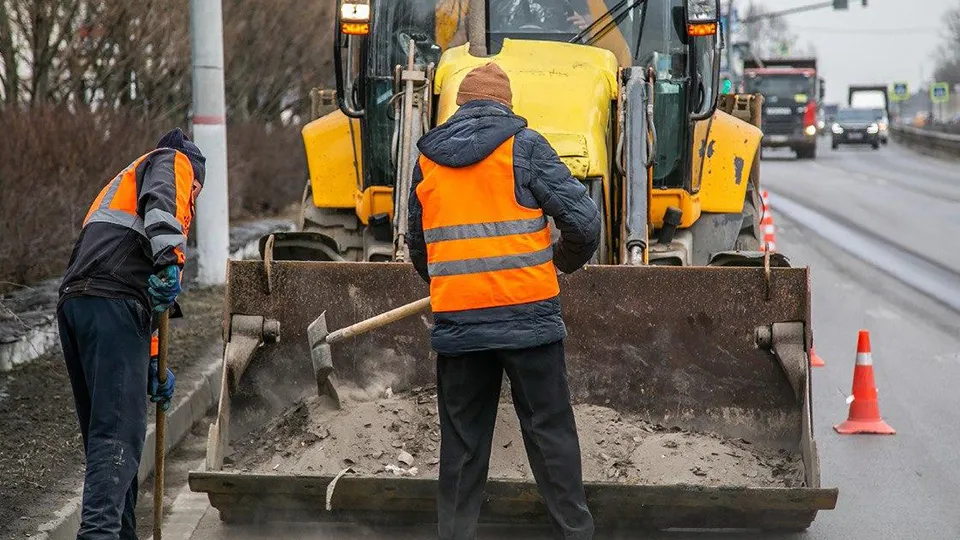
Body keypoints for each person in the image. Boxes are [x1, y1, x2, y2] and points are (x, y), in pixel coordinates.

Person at [407, 62, 601, 540]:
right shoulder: (525, 146)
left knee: (462, 447)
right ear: (506, 105)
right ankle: (575, 534)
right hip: (528, 319)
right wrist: (559, 262)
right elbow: (584, 223)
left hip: (459, 324)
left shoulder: (428, 159)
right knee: (550, 434)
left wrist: (456, 284)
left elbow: (419, 246)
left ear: (459, 106)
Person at [57, 128, 205, 539]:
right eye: (196, 190)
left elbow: (147, 294)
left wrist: (153, 361)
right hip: (113, 304)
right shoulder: (173, 161)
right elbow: (163, 209)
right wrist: (170, 258)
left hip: (81, 306)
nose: (193, 199)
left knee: (108, 442)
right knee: (117, 439)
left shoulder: (125, 186)